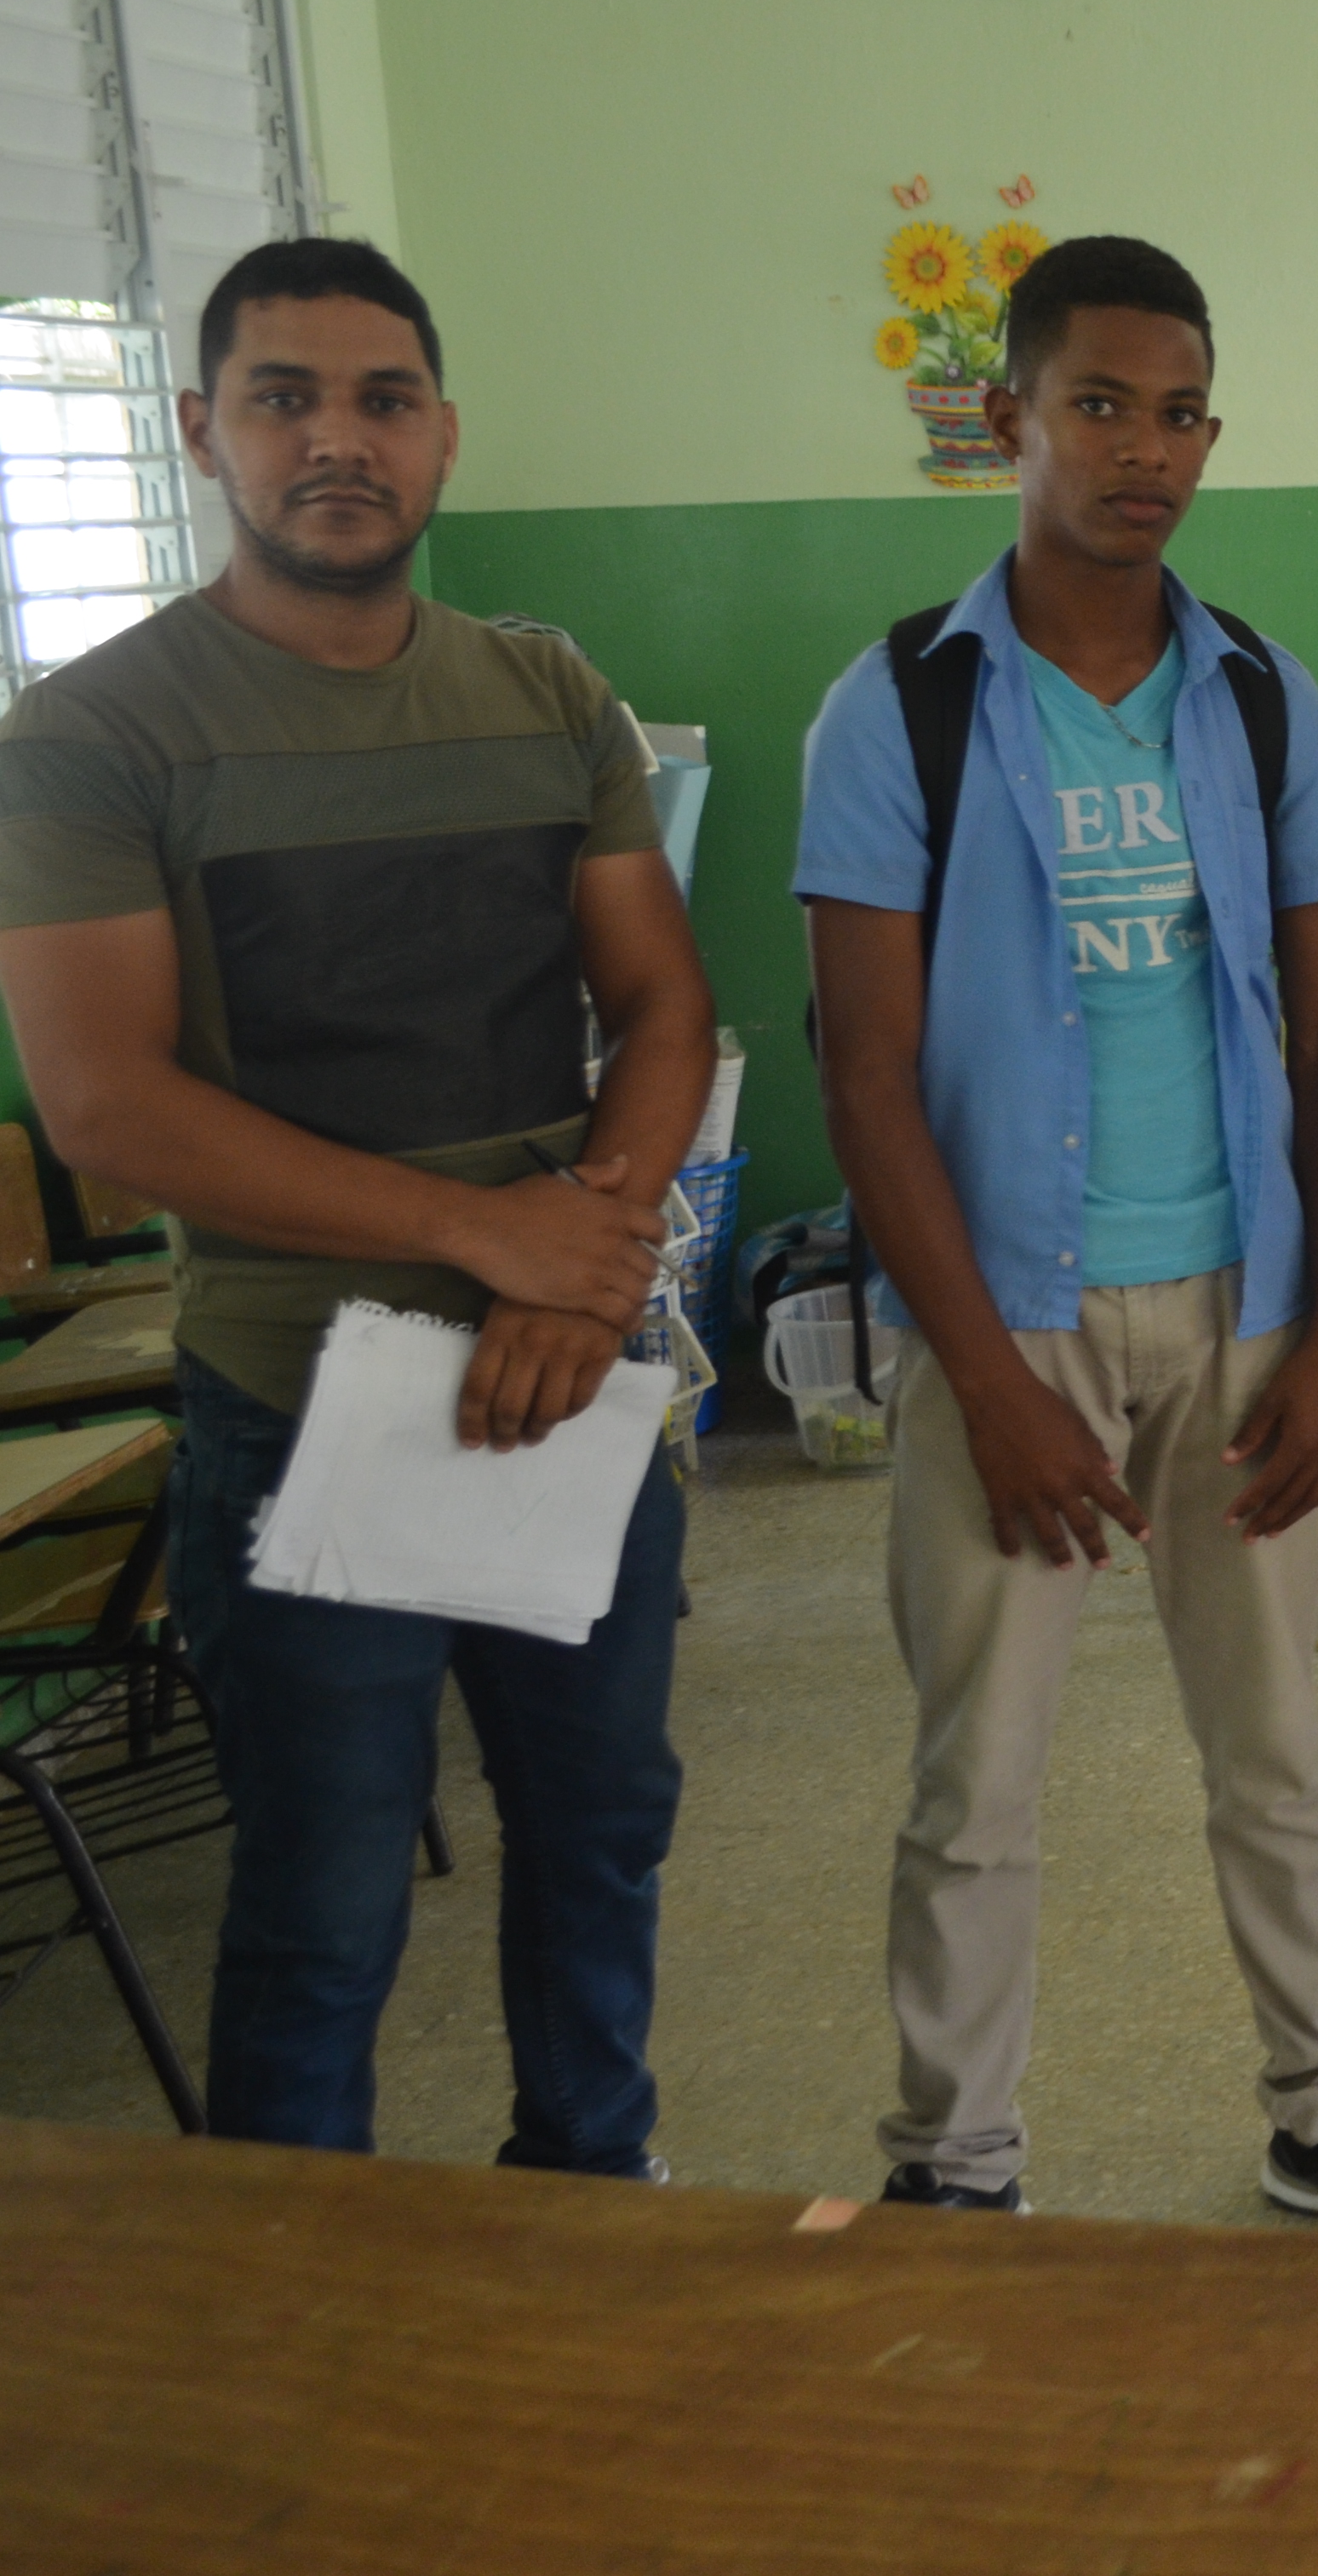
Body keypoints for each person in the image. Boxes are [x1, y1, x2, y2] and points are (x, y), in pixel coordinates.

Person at [796, 235, 1318, 2235]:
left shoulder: (1257, 692)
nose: (1145, 448)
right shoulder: (906, 708)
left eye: (1181, 410)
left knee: (1279, 1750)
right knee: (980, 1782)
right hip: (1006, 1319)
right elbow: (864, 1076)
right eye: (1099, 403)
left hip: (1247, 1310)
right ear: (1007, 420)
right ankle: (954, 2163)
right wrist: (986, 1384)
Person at [0, 238, 714, 2168]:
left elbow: (662, 1005)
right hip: (303, 1400)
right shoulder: (97, 734)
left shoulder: (547, 691)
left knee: (602, 1839)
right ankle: (298, 2309)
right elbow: (106, 1102)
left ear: (444, 436)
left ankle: (586, 2197)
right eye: (283, 398)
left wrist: (583, 1266)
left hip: (558, 1374)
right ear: (201, 432)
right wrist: (483, 1237)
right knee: (322, 1919)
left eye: (382, 400)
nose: (338, 440)